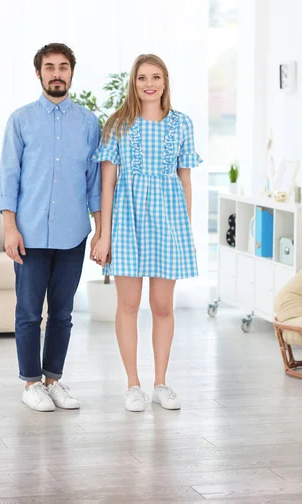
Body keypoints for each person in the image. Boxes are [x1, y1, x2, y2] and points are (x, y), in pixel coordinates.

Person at [91, 54, 202, 412]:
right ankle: (132, 384)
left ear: (165, 81)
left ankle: (161, 383)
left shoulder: (182, 124)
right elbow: (107, 184)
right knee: (127, 304)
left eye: (156, 76)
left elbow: (185, 179)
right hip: (127, 219)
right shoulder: (118, 125)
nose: (149, 83)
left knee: (162, 306)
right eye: (142, 78)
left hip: (168, 222)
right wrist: (104, 235)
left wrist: (183, 228)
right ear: (133, 83)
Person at [0, 43, 101, 412]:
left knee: (62, 312)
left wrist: (100, 233)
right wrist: (10, 227)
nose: (57, 73)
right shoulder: (20, 120)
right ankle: (30, 383)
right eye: (49, 67)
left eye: (63, 67)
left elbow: (95, 183)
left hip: (73, 233)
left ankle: (53, 380)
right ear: (38, 73)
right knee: (28, 311)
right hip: (29, 233)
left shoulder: (89, 123)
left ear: (72, 72)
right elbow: (8, 177)